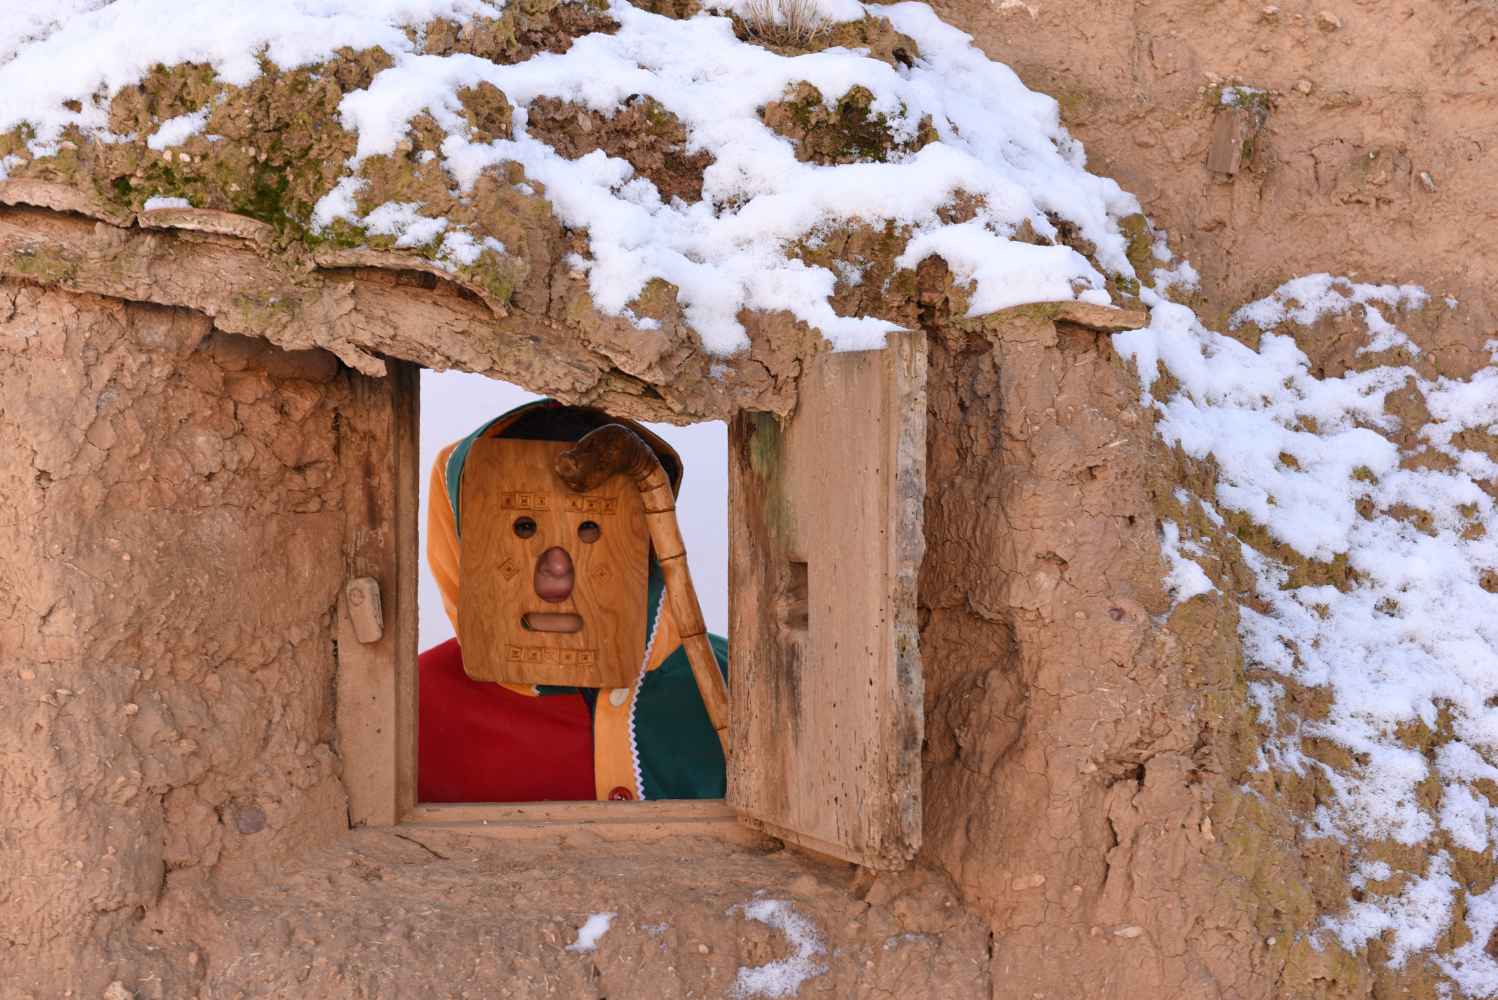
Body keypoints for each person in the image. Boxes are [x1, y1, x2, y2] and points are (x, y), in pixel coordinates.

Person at [417, 399, 728, 803]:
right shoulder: (408, 707)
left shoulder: (737, 684)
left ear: (648, 538)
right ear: (460, 541)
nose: (558, 568)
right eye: (523, 527)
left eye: (590, 529)